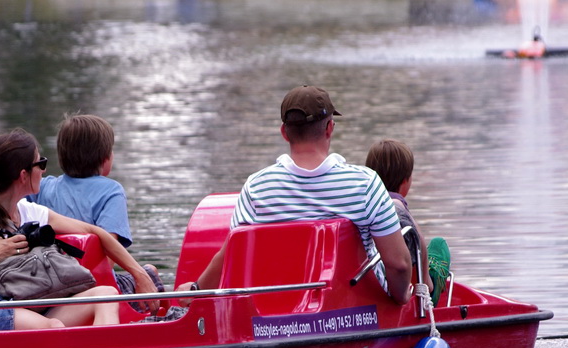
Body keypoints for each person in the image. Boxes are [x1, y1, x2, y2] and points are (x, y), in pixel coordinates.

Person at [177, 86, 413, 305]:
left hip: (273, 315)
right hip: (352, 312)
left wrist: (197, 288)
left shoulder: (256, 188)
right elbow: (399, 265)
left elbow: (232, 253)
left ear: (284, 133)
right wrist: (401, 298)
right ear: (330, 128)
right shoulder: (365, 184)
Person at [0, 128, 158, 332]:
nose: (44, 170)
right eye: (40, 163)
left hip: (28, 302)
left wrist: (138, 273)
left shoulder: (31, 211)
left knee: (107, 295)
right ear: (24, 175)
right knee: (53, 327)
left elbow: (95, 232)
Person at [30, 113, 164, 307]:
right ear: (105, 159)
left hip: (47, 286)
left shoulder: (42, 187)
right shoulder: (111, 191)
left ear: (61, 157)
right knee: (150, 271)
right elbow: (107, 258)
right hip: (93, 288)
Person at [364, 139, 451, 305]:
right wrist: (424, 281)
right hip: (406, 289)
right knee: (438, 244)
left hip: (371, 276)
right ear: (406, 180)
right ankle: (433, 283)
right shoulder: (399, 212)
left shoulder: (364, 204)